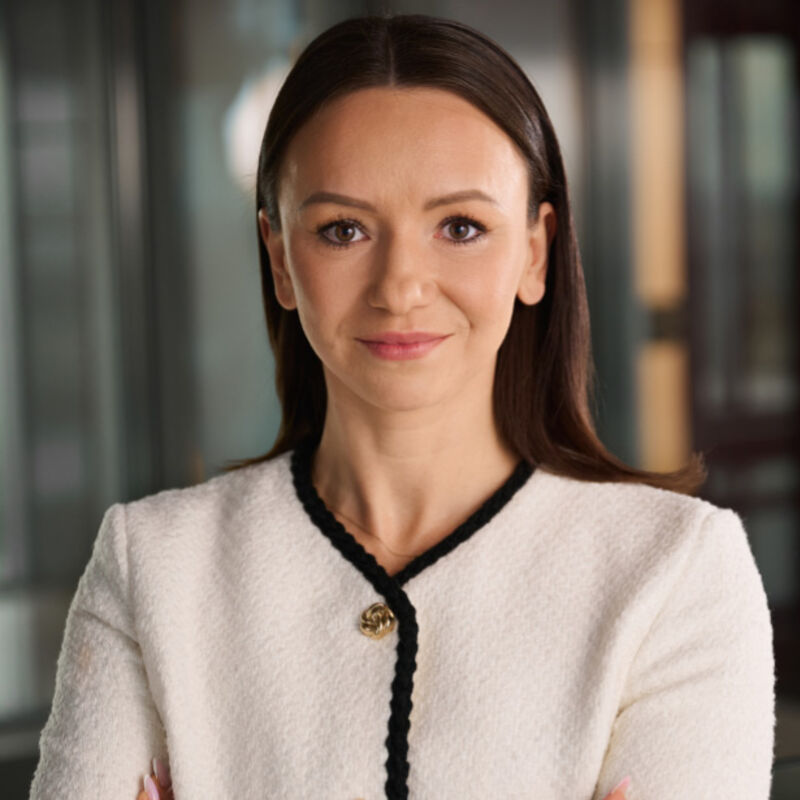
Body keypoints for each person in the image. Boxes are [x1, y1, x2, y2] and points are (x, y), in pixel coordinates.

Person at [29, 13, 775, 800]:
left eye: (461, 226)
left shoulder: (675, 573)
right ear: (280, 259)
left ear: (535, 251)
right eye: (343, 230)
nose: (400, 287)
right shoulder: (151, 566)